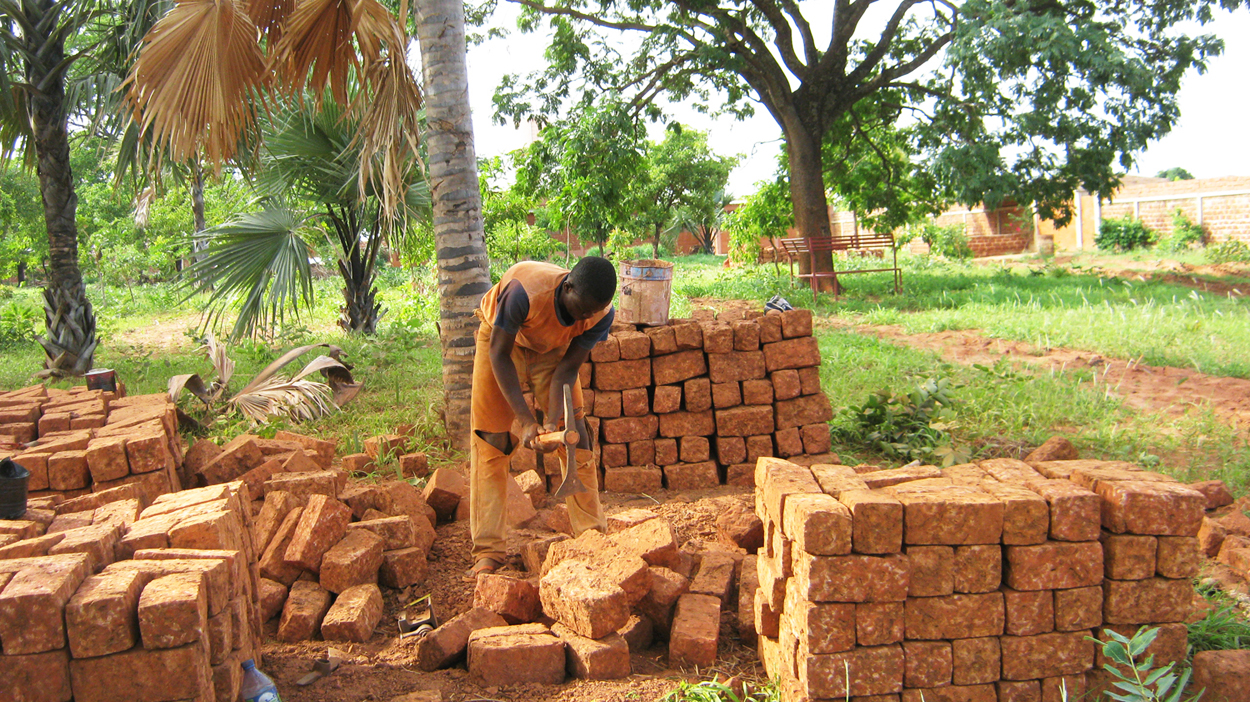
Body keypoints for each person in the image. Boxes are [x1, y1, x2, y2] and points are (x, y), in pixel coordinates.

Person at [466, 256, 616, 578]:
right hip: (503, 344)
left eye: (592, 312)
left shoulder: (600, 315)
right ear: (568, 286)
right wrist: (526, 420)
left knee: (576, 434)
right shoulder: (524, 291)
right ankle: (488, 551)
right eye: (581, 309)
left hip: (553, 353)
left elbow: (566, 369)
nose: (585, 317)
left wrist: (551, 422)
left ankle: (591, 534)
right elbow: (498, 354)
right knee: (491, 440)